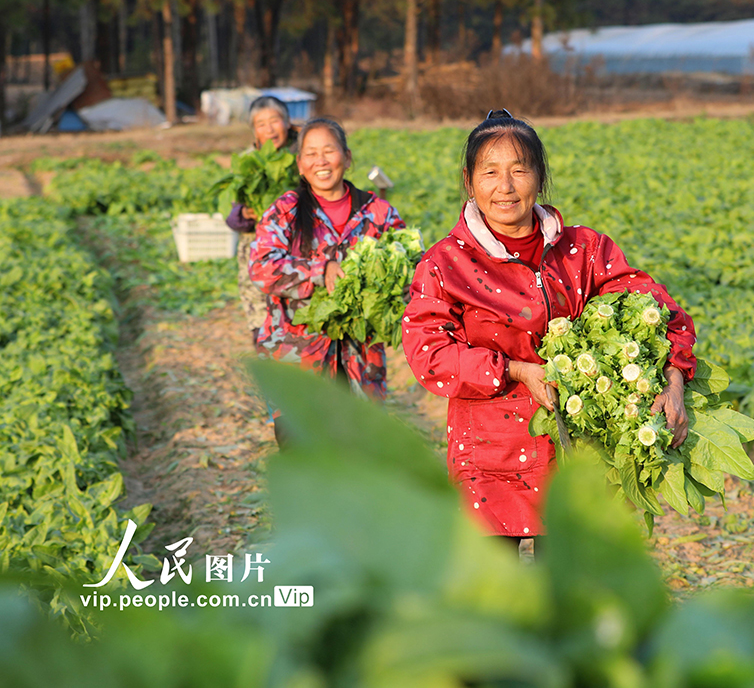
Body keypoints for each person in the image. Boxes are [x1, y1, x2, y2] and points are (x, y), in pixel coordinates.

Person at [401, 109, 697, 551]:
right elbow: (431, 355)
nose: (505, 187)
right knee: (494, 591)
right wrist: (517, 371)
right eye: (490, 173)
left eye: (519, 170)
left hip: (575, 448)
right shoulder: (446, 264)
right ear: (469, 181)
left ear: (539, 177)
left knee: (565, 591)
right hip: (489, 453)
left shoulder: (584, 249)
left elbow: (660, 311)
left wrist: (673, 379)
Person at [249, 117, 405, 420]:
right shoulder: (286, 211)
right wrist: (321, 270)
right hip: (297, 361)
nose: (320, 161)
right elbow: (261, 267)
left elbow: (408, 272)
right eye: (310, 153)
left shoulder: (378, 213)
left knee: (357, 458)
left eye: (329, 151)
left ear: (347, 158)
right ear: (299, 163)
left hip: (360, 366)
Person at [226, 96, 298, 347]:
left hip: (297, 251)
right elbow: (230, 215)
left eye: (274, 121)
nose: (269, 129)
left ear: (287, 123)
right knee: (262, 323)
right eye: (261, 124)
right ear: (254, 130)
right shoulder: (248, 161)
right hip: (257, 253)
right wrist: (244, 214)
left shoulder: (303, 155)